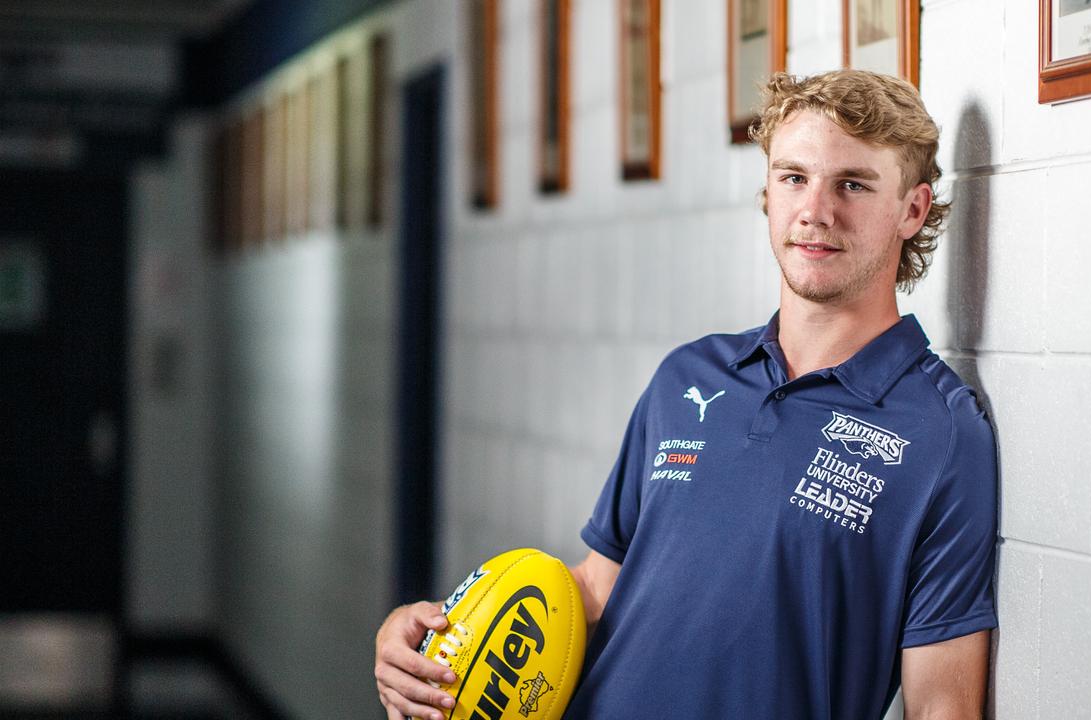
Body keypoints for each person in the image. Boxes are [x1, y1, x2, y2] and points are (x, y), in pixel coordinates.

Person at [375, 69, 998, 720]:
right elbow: (592, 594)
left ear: (913, 209)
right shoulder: (689, 377)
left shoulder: (942, 432)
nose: (816, 211)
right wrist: (423, 639)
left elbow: (942, 705)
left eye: (852, 184)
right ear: (768, 192)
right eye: (793, 177)